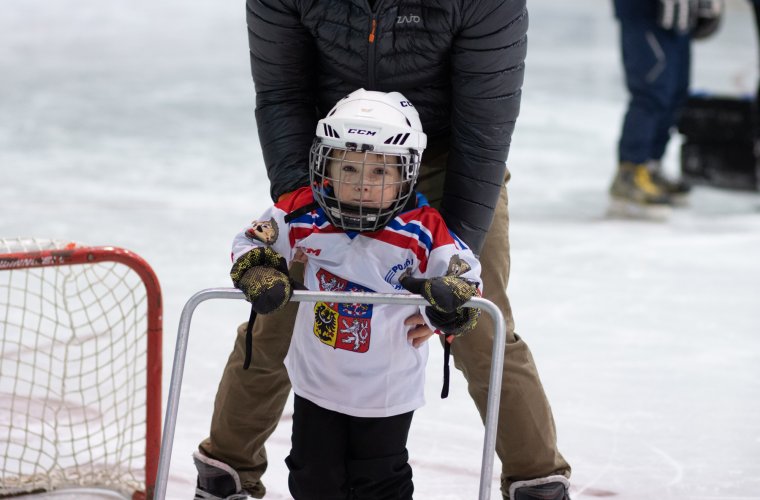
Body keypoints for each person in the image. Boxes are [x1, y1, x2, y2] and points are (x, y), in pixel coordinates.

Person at [196, 1, 572, 499]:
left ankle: (535, 479)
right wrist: (308, 211)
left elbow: (484, 130)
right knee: (284, 307)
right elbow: (282, 93)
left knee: (478, 321)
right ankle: (228, 470)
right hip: (338, 162)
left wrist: (450, 268)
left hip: (447, 157)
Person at [199, 89, 483, 500]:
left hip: (386, 390)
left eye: (379, 173)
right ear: (326, 166)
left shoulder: (422, 228)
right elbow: (252, 241)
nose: (362, 185)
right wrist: (261, 271)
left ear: (406, 173)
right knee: (312, 477)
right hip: (317, 383)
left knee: (381, 481)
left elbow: (466, 276)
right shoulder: (304, 211)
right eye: (349, 168)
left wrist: (450, 303)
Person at [609, 0, 724, 217]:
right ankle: (630, 170)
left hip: (679, 13)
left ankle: (651, 165)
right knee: (652, 92)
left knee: (676, 91)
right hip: (644, 12)